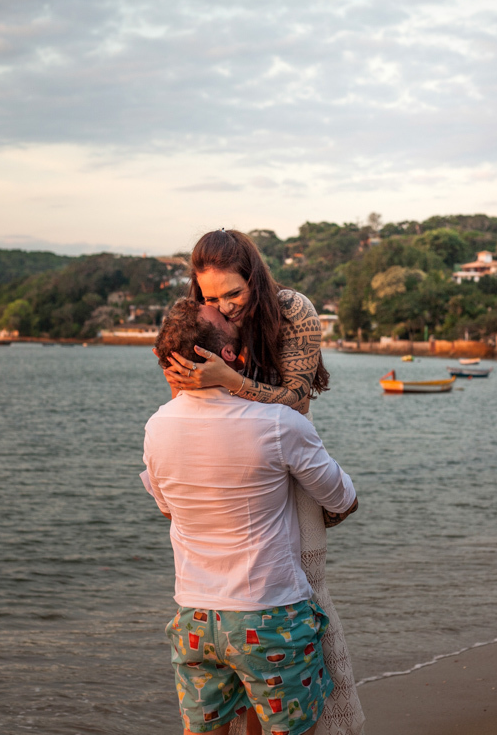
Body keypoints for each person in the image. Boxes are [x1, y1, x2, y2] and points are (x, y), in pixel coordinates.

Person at [161, 230, 366, 735]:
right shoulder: (205, 320)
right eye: (211, 298)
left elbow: (296, 399)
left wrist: (231, 382)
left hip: (286, 447)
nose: (224, 308)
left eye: (233, 293)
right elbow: (188, 400)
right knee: (245, 618)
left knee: (298, 596)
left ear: (254, 276)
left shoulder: (292, 309)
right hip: (236, 457)